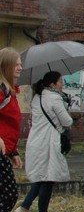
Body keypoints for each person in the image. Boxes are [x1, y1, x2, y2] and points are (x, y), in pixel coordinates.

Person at [16, 71, 73, 212]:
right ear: (52, 84)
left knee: (43, 177)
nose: (62, 85)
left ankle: (24, 206)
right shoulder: (54, 98)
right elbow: (67, 121)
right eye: (60, 82)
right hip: (49, 142)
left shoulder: (37, 97)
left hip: (36, 140)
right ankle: (36, 208)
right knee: (48, 178)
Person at [0, 47, 23, 212]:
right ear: (7, 66)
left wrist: (13, 152)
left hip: (5, 151)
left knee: (8, 195)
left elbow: (11, 124)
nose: (20, 67)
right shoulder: (2, 89)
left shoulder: (10, 91)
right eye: (16, 64)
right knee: (7, 195)